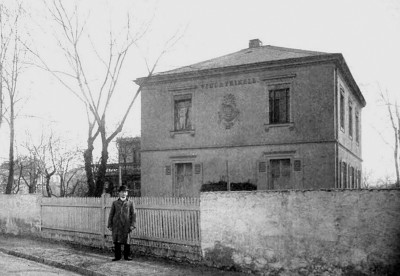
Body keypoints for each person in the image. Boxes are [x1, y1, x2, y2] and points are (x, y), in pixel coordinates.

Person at [107, 185, 136, 261]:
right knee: (116, 241)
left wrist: (133, 225)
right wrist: (109, 224)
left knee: (127, 241)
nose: (124, 193)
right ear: (119, 193)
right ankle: (117, 256)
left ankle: (126, 256)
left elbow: (133, 214)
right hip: (116, 225)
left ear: (127, 193)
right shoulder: (115, 203)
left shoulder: (130, 203)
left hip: (126, 225)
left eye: (125, 192)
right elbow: (111, 214)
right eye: (122, 192)